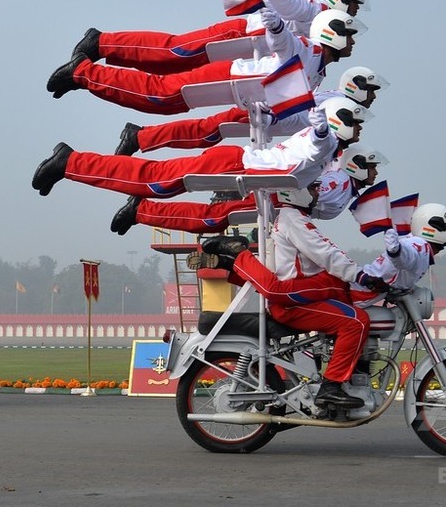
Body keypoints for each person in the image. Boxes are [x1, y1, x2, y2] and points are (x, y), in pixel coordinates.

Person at [191, 183, 389, 409]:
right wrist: (360, 275)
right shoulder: (293, 219)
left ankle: (232, 262)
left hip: (302, 295)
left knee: (344, 296)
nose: (317, 192)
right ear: (297, 191)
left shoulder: (291, 219)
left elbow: (324, 254)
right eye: (313, 188)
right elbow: (325, 252)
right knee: (356, 321)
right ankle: (331, 387)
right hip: (293, 300)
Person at [32, 98, 369, 199]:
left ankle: (72, 163)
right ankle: (70, 163)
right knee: (153, 182)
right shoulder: (323, 142)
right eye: (355, 122)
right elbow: (313, 148)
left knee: (155, 182)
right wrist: (322, 133)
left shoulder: (329, 148)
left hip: (235, 166)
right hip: (232, 167)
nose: (359, 130)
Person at [46, 9, 365, 113]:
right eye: (349, 34)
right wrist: (277, 23)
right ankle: (89, 63)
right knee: (169, 68)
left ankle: (93, 61)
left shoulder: (318, 70)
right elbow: (286, 32)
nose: (352, 41)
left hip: (238, 83)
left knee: (166, 90)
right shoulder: (309, 48)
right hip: (239, 51)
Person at [61, 0, 365, 74]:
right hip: (244, 34)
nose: (353, 13)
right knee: (175, 51)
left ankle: (106, 54)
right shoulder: (318, 9)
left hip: (249, 49)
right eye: (353, 4)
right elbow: (288, 1)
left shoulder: (321, 15)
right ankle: (101, 42)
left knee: (173, 64)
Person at [110, 142, 385, 235]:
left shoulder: (343, 181)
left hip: (269, 195)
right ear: (358, 165)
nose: (374, 173)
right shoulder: (339, 182)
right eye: (372, 167)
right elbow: (301, 191)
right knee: (210, 216)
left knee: (209, 213)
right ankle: (141, 209)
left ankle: (141, 209)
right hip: (271, 195)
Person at [112, 65, 387, 156]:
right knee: (206, 131)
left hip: (266, 119)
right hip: (264, 116)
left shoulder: (340, 102)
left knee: (207, 130)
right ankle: (140, 137)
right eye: (372, 91)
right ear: (358, 86)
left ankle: (141, 137)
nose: (373, 97)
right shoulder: (343, 106)